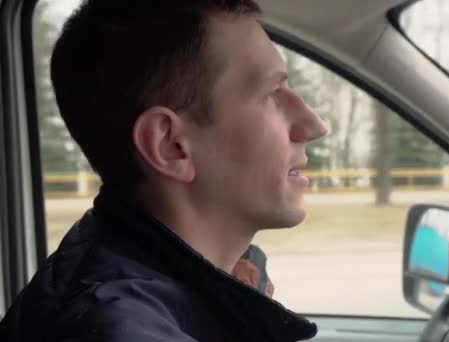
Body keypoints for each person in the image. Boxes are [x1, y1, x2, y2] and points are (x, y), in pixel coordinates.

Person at [0, 0, 327, 340]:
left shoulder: (158, 281)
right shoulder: (119, 327)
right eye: (272, 93)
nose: (314, 125)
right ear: (170, 145)